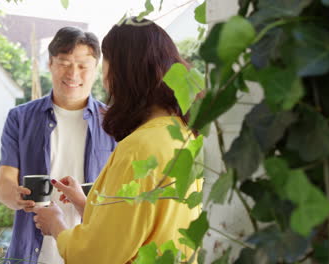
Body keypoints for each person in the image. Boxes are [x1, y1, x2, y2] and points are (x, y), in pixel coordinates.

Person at [32, 17, 203, 263]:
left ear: (123, 73)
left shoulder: (139, 149)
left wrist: (56, 225)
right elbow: (139, 223)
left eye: (104, 65)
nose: (104, 79)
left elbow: (98, 255)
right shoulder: (182, 135)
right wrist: (86, 204)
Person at [0, 27, 116, 264]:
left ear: (95, 69)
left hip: (91, 253)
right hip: (30, 253)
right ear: (50, 63)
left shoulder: (115, 123)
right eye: (64, 62)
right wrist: (15, 196)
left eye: (83, 66)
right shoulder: (20, 118)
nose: (73, 73)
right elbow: (4, 183)